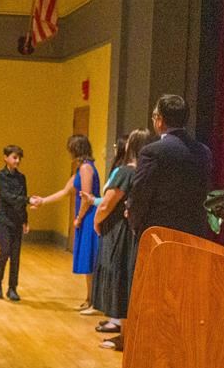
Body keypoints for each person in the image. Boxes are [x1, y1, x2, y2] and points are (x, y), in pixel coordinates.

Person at [86, 128, 157, 348]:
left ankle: (124, 336)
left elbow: (107, 204)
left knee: (119, 279)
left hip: (118, 233)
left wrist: (96, 221)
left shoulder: (126, 171)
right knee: (128, 279)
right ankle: (126, 335)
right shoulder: (149, 171)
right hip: (134, 231)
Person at [127, 94, 212, 241]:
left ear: (160, 120)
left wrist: (135, 227)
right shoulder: (204, 151)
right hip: (193, 235)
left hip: (159, 236)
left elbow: (139, 196)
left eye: (154, 116)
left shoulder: (152, 151)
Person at [31, 135, 101, 312]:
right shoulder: (80, 169)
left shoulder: (86, 168)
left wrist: (78, 218)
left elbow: (86, 198)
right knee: (87, 258)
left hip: (89, 216)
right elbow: (64, 191)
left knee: (90, 257)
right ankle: (89, 299)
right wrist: (43, 201)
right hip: (85, 216)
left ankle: (93, 301)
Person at [0, 145, 29, 302]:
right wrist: (28, 199)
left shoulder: (22, 178)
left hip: (17, 220)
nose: (17, 160)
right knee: (5, 251)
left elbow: (22, 200)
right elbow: (8, 196)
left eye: (19, 158)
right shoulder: (0, 176)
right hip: (3, 219)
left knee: (15, 255)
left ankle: (12, 288)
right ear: (5, 158)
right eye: (14, 157)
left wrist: (25, 220)